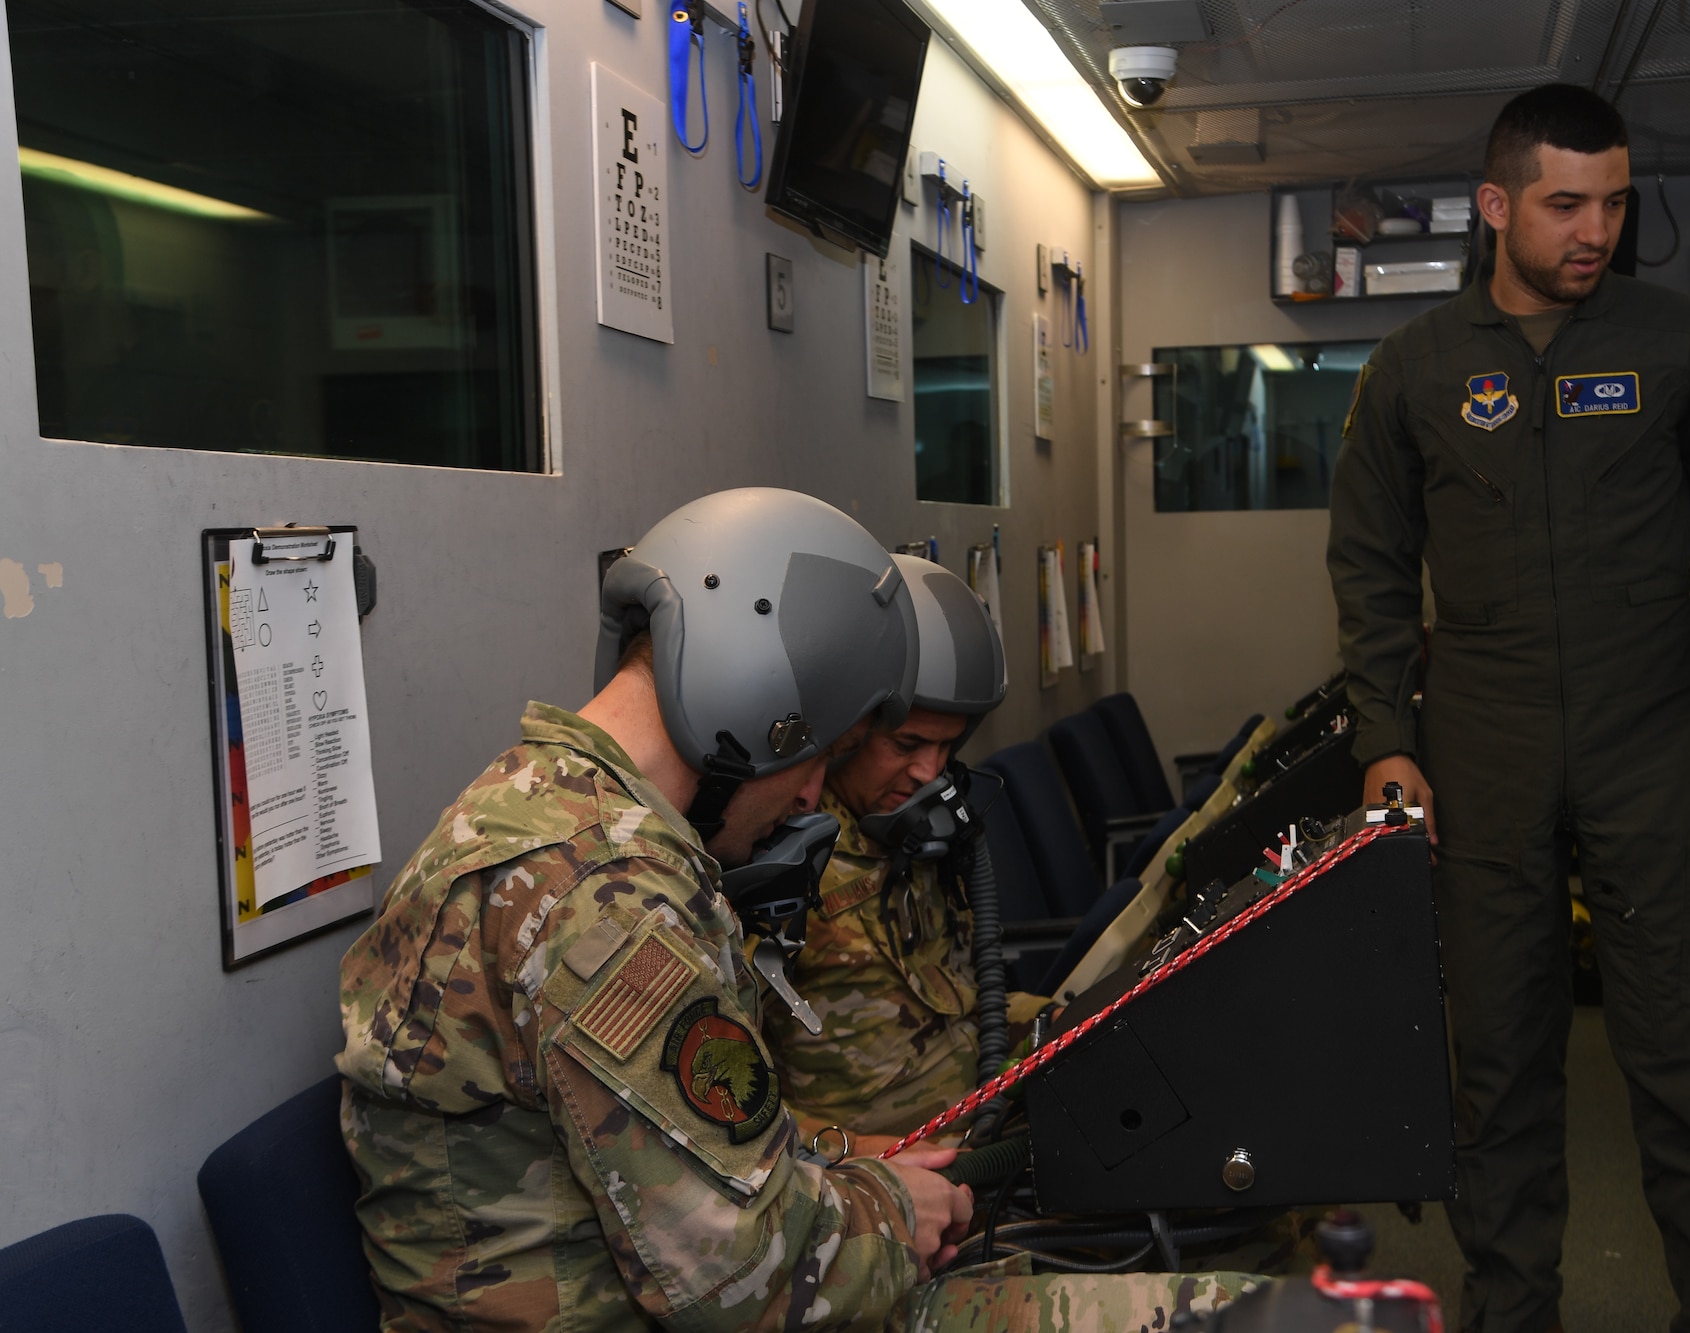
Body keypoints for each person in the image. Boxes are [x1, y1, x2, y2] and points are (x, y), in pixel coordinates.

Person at [338, 488, 1251, 1331]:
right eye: (819, 753)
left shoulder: (541, 808)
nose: (816, 794)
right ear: (754, 703)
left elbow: (685, 1145)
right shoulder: (609, 900)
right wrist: (898, 1205)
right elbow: (745, 1281)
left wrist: (853, 1165)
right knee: (1237, 1313)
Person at [1327, 85, 1690, 1333]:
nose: (1593, 228)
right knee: (1497, 1073)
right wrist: (1384, 735)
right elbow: (1370, 567)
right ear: (1495, 207)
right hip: (1480, 745)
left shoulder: (1674, 343)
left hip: (1645, 733)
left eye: (1610, 202)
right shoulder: (1413, 372)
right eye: (1562, 203)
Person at [762, 554, 1035, 1158]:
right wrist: (859, 1152)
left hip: (977, 1143)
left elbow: (967, 1003)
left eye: (946, 748)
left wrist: (1075, 1021)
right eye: (907, 744)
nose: (928, 773)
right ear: (844, 733)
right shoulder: (774, 857)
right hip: (872, 1183)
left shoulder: (916, 836)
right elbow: (721, 1104)